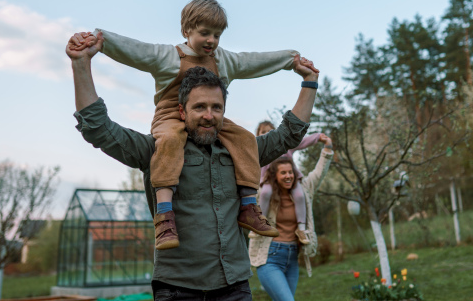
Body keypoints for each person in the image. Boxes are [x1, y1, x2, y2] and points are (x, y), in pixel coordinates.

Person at [66, 33, 320, 300]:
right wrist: (81, 64)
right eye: (199, 107)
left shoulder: (244, 152)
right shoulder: (157, 150)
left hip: (234, 286)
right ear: (182, 110)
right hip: (178, 289)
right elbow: (98, 129)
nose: (209, 115)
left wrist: (309, 82)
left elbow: (289, 134)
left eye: (216, 107)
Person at [248, 135, 333, 301]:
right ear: (274, 175)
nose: (288, 176)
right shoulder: (263, 193)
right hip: (269, 258)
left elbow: (319, 172)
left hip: (292, 258)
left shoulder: (305, 190)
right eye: (283, 173)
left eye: (290, 172)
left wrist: (328, 148)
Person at [256, 121, 324, 244]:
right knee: (265, 193)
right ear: (258, 135)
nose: (267, 134)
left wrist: (318, 137)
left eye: (270, 131)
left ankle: (301, 228)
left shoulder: (284, 145)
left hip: (290, 179)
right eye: (263, 132)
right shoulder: (260, 150)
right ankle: (259, 223)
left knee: (299, 195)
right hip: (269, 180)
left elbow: (302, 142)